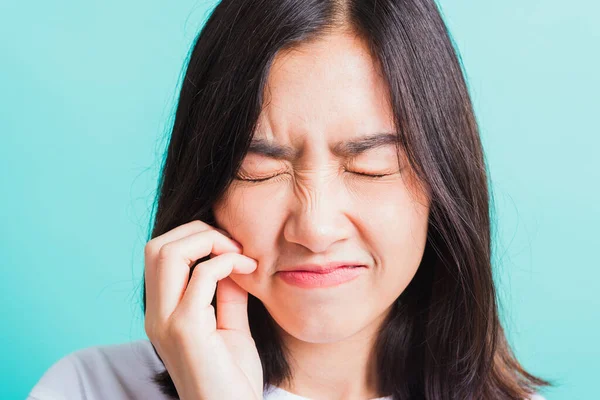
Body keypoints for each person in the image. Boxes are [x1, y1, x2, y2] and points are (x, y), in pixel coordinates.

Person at [28, 0, 554, 399]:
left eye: (369, 165)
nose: (317, 228)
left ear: (443, 180)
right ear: (205, 186)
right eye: (260, 169)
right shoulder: (88, 387)